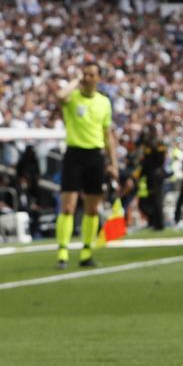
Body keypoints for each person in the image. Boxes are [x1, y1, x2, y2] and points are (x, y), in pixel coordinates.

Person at [55, 60, 117, 269]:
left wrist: (113, 163)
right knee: (68, 206)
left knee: (92, 209)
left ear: (99, 78)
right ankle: (63, 252)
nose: (87, 78)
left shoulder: (104, 102)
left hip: (95, 157)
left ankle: (86, 252)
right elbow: (59, 96)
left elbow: (108, 135)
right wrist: (75, 80)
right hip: (74, 154)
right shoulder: (73, 97)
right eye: (85, 74)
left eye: (92, 75)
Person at [131, 126, 167, 229]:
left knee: (157, 199)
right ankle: (153, 221)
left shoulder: (158, 143)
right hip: (150, 175)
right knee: (150, 200)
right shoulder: (147, 143)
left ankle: (159, 224)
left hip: (156, 174)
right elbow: (144, 160)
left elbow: (158, 158)